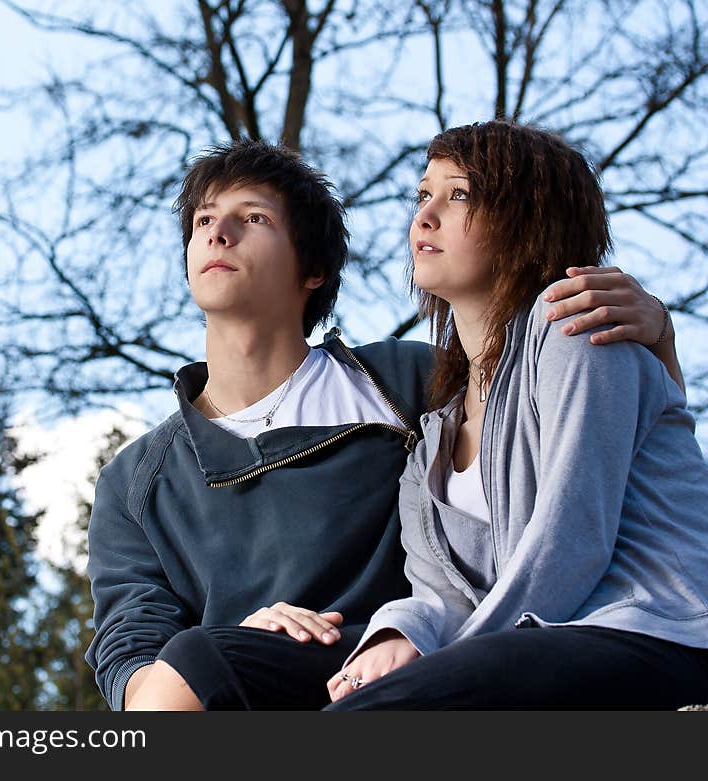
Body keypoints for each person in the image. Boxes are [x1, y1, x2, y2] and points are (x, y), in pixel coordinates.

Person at [85, 138, 682, 711]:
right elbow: (131, 653)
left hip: (409, 651)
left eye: (255, 218)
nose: (217, 231)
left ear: (313, 268)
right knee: (195, 658)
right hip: (247, 672)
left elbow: (620, 454)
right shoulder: (136, 480)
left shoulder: (409, 382)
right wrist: (236, 635)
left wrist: (659, 333)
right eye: (203, 220)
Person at [325, 121, 708, 710]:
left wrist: (441, 665)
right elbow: (440, 591)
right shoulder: (435, 433)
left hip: (658, 633)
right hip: (540, 645)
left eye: (460, 196)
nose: (424, 217)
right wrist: (400, 634)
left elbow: (571, 542)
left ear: (528, 220)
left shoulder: (577, 330)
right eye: (423, 195)